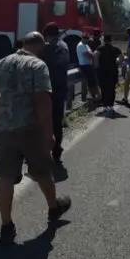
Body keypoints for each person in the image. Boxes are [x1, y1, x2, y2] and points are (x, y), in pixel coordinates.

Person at [0, 32, 72, 244]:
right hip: (30, 128)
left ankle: (6, 226)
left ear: (23, 44)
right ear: (41, 47)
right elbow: (42, 101)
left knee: (6, 177)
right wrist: (49, 133)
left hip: (6, 129)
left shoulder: (3, 62)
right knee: (42, 171)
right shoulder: (38, 65)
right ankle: (53, 208)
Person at [39, 23, 71, 164]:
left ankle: (45, 151)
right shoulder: (64, 46)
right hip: (60, 89)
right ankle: (56, 149)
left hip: (49, 90)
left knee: (44, 121)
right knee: (56, 122)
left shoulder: (49, 48)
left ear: (47, 35)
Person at [96, 33, 122, 112]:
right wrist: (118, 63)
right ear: (111, 40)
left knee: (103, 88)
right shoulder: (115, 49)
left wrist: (97, 66)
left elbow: (95, 55)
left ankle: (104, 106)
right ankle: (110, 106)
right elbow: (122, 57)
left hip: (102, 72)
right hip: (113, 72)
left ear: (104, 40)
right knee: (111, 89)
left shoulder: (100, 48)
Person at [75, 31, 98, 103]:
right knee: (91, 82)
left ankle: (95, 96)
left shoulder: (86, 45)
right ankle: (93, 97)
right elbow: (90, 55)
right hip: (84, 65)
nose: (87, 40)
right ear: (82, 38)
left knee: (93, 81)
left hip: (88, 65)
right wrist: (92, 54)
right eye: (85, 38)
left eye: (87, 38)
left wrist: (92, 54)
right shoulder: (81, 45)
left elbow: (91, 54)